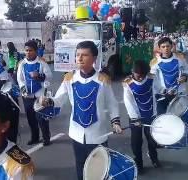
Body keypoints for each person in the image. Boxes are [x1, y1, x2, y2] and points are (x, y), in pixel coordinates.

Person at [41, 41, 122, 180]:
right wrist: (48, 101)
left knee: (99, 169)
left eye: (84, 55)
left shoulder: (103, 80)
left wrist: (115, 121)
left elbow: (112, 103)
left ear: (94, 59)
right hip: (77, 133)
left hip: (98, 133)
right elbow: (59, 99)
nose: (79, 58)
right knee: (81, 166)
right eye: (77, 55)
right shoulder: (69, 78)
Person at [123, 60, 161, 175]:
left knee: (152, 140)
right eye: (137, 75)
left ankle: (154, 158)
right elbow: (128, 102)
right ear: (132, 72)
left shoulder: (151, 78)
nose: (140, 78)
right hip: (136, 118)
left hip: (151, 114)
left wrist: (165, 92)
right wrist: (135, 118)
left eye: (142, 76)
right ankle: (139, 164)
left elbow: (159, 89)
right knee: (136, 143)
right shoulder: (127, 83)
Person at [17, 40, 53, 146]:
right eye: (26, 50)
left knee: (41, 117)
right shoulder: (22, 64)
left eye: (31, 50)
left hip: (40, 94)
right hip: (27, 96)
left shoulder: (42, 63)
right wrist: (23, 89)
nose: (28, 52)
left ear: (36, 51)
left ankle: (46, 137)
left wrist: (39, 76)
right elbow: (20, 79)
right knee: (31, 118)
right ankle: (35, 137)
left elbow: (49, 76)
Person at [150, 37, 188, 114]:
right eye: (163, 47)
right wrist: (163, 91)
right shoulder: (154, 62)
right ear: (160, 49)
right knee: (163, 119)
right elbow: (153, 80)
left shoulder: (179, 57)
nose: (166, 49)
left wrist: (184, 76)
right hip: (162, 96)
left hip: (178, 94)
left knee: (178, 119)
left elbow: (186, 68)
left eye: (168, 46)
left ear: (171, 46)